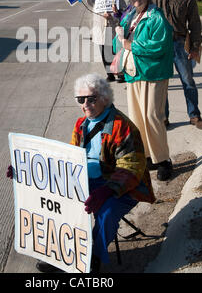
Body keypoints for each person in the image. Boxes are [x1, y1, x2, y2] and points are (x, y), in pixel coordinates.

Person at [70, 73, 155, 271]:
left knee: (106, 213)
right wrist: (26, 171)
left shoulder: (122, 126)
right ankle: (63, 252)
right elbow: (68, 157)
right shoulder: (80, 124)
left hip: (124, 186)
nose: (86, 104)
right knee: (60, 201)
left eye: (92, 99)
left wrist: (107, 190)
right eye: (81, 99)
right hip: (90, 182)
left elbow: (131, 166)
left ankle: (94, 256)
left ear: (105, 99)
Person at [119, 0, 202, 130]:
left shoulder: (188, 0)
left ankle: (194, 115)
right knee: (161, 82)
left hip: (180, 45)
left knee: (188, 81)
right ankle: (163, 117)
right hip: (160, 46)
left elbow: (196, 27)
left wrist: (195, 47)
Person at [113, 0, 174, 181]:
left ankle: (164, 160)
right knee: (137, 118)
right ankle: (148, 156)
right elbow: (118, 45)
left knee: (152, 116)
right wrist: (117, 34)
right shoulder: (128, 16)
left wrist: (130, 45)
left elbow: (159, 46)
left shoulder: (156, 17)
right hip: (133, 73)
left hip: (153, 73)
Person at [86, 0, 126, 82]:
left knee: (116, 53)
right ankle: (110, 75)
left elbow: (124, 14)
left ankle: (121, 75)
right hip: (101, 31)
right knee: (104, 54)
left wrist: (112, 15)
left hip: (113, 29)